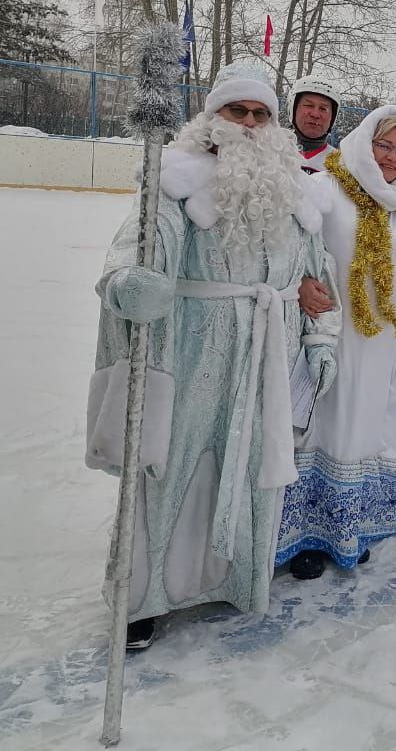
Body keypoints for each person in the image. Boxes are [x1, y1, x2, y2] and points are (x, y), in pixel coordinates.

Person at [86, 61, 340, 650]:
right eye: (238, 111)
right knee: (168, 467)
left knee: (251, 465)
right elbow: (139, 246)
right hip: (192, 348)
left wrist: (320, 339)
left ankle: (235, 577)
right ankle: (142, 599)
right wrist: (130, 279)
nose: (250, 125)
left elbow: (318, 278)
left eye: (261, 114)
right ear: (213, 115)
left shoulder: (293, 191)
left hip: (263, 361)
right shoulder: (176, 179)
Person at [276, 106, 396, 580]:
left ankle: (350, 527)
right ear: (364, 142)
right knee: (317, 425)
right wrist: (300, 288)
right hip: (325, 336)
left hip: (380, 345)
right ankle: (302, 535)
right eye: (383, 145)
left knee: (364, 428)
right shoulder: (324, 189)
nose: (390, 157)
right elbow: (291, 249)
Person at [286, 74, 342, 173]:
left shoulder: (341, 165)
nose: (315, 114)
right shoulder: (272, 151)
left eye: (323, 109)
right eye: (308, 105)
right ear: (293, 109)